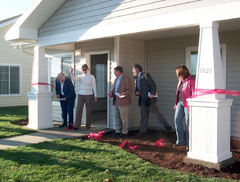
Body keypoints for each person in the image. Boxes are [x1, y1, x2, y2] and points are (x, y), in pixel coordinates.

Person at [132, 64, 172, 135]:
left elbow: (153, 85)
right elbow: (138, 88)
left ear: (137, 69)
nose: (132, 71)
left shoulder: (145, 75)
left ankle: (167, 127)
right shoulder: (136, 78)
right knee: (143, 115)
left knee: (157, 114)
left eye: (133, 69)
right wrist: (137, 92)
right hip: (142, 100)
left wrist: (151, 95)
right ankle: (142, 131)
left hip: (149, 99)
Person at [70, 64, 97, 130]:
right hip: (81, 94)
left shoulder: (91, 76)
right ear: (82, 70)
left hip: (89, 94)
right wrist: (71, 73)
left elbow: (94, 86)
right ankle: (77, 125)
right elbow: (74, 79)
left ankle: (88, 125)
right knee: (79, 109)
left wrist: (95, 95)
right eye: (83, 69)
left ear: (88, 69)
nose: (84, 70)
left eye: (85, 69)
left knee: (88, 110)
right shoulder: (80, 76)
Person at [174, 65, 195, 147]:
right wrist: (176, 104)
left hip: (188, 104)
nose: (177, 76)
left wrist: (192, 105)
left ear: (182, 74)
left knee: (188, 123)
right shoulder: (180, 81)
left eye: (178, 74)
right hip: (180, 103)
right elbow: (178, 93)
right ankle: (180, 141)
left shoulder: (191, 81)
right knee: (177, 120)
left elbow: (194, 94)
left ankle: (189, 144)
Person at [109, 66, 132, 137]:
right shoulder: (116, 79)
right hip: (116, 100)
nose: (114, 73)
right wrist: (111, 93)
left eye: (115, 71)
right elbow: (114, 89)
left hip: (123, 101)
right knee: (116, 116)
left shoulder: (126, 79)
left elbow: (129, 90)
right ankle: (117, 131)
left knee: (124, 118)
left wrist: (123, 94)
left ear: (119, 72)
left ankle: (124, 132)